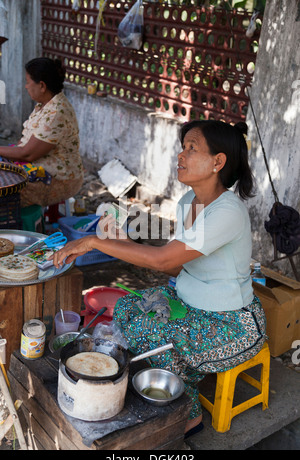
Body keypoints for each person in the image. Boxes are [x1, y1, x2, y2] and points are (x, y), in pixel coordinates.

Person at [52, 119, 266, 438]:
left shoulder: (228, 212)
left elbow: (164, 259)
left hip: (232, 321)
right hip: (188, 302)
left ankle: (187, 415)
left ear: (218, 162)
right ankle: (166, 375)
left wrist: (95, 243)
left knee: (159, 338)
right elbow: (173, 262)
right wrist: (121, 239)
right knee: (129, 307)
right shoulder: (186, 203)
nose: (181, 155)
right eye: (183, 147)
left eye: (192, 149)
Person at [0, 57, 84, 207]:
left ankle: (12, 228)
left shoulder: (56, 113)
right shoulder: (45, 105)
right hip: (40, 167)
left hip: (60, 180)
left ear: (42, 86)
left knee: (5, 190)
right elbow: (23, 143)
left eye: (28, 82)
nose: (26, 87)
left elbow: (27, 154)